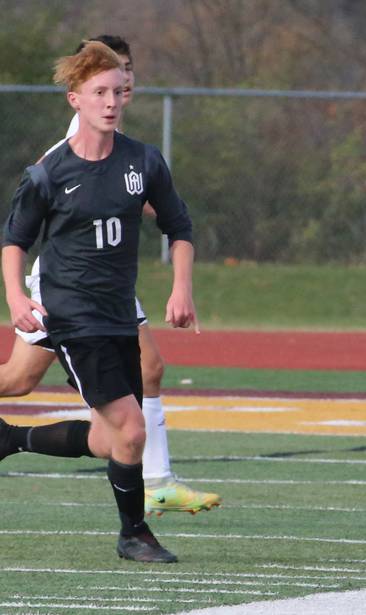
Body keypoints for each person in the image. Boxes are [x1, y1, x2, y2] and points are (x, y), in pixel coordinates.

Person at [0, 34, 220, 517]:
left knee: (18, 381)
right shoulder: (63, 155)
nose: (118, 93)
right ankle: (155, 486)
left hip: (109, 283)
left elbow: (169, 218)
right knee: (142, 380)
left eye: (124, 80)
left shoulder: (133, 151)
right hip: (67, 285)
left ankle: (15, 440)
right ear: (80, 92)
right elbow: (25, 224)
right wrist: (16, 294)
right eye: (107, 83)